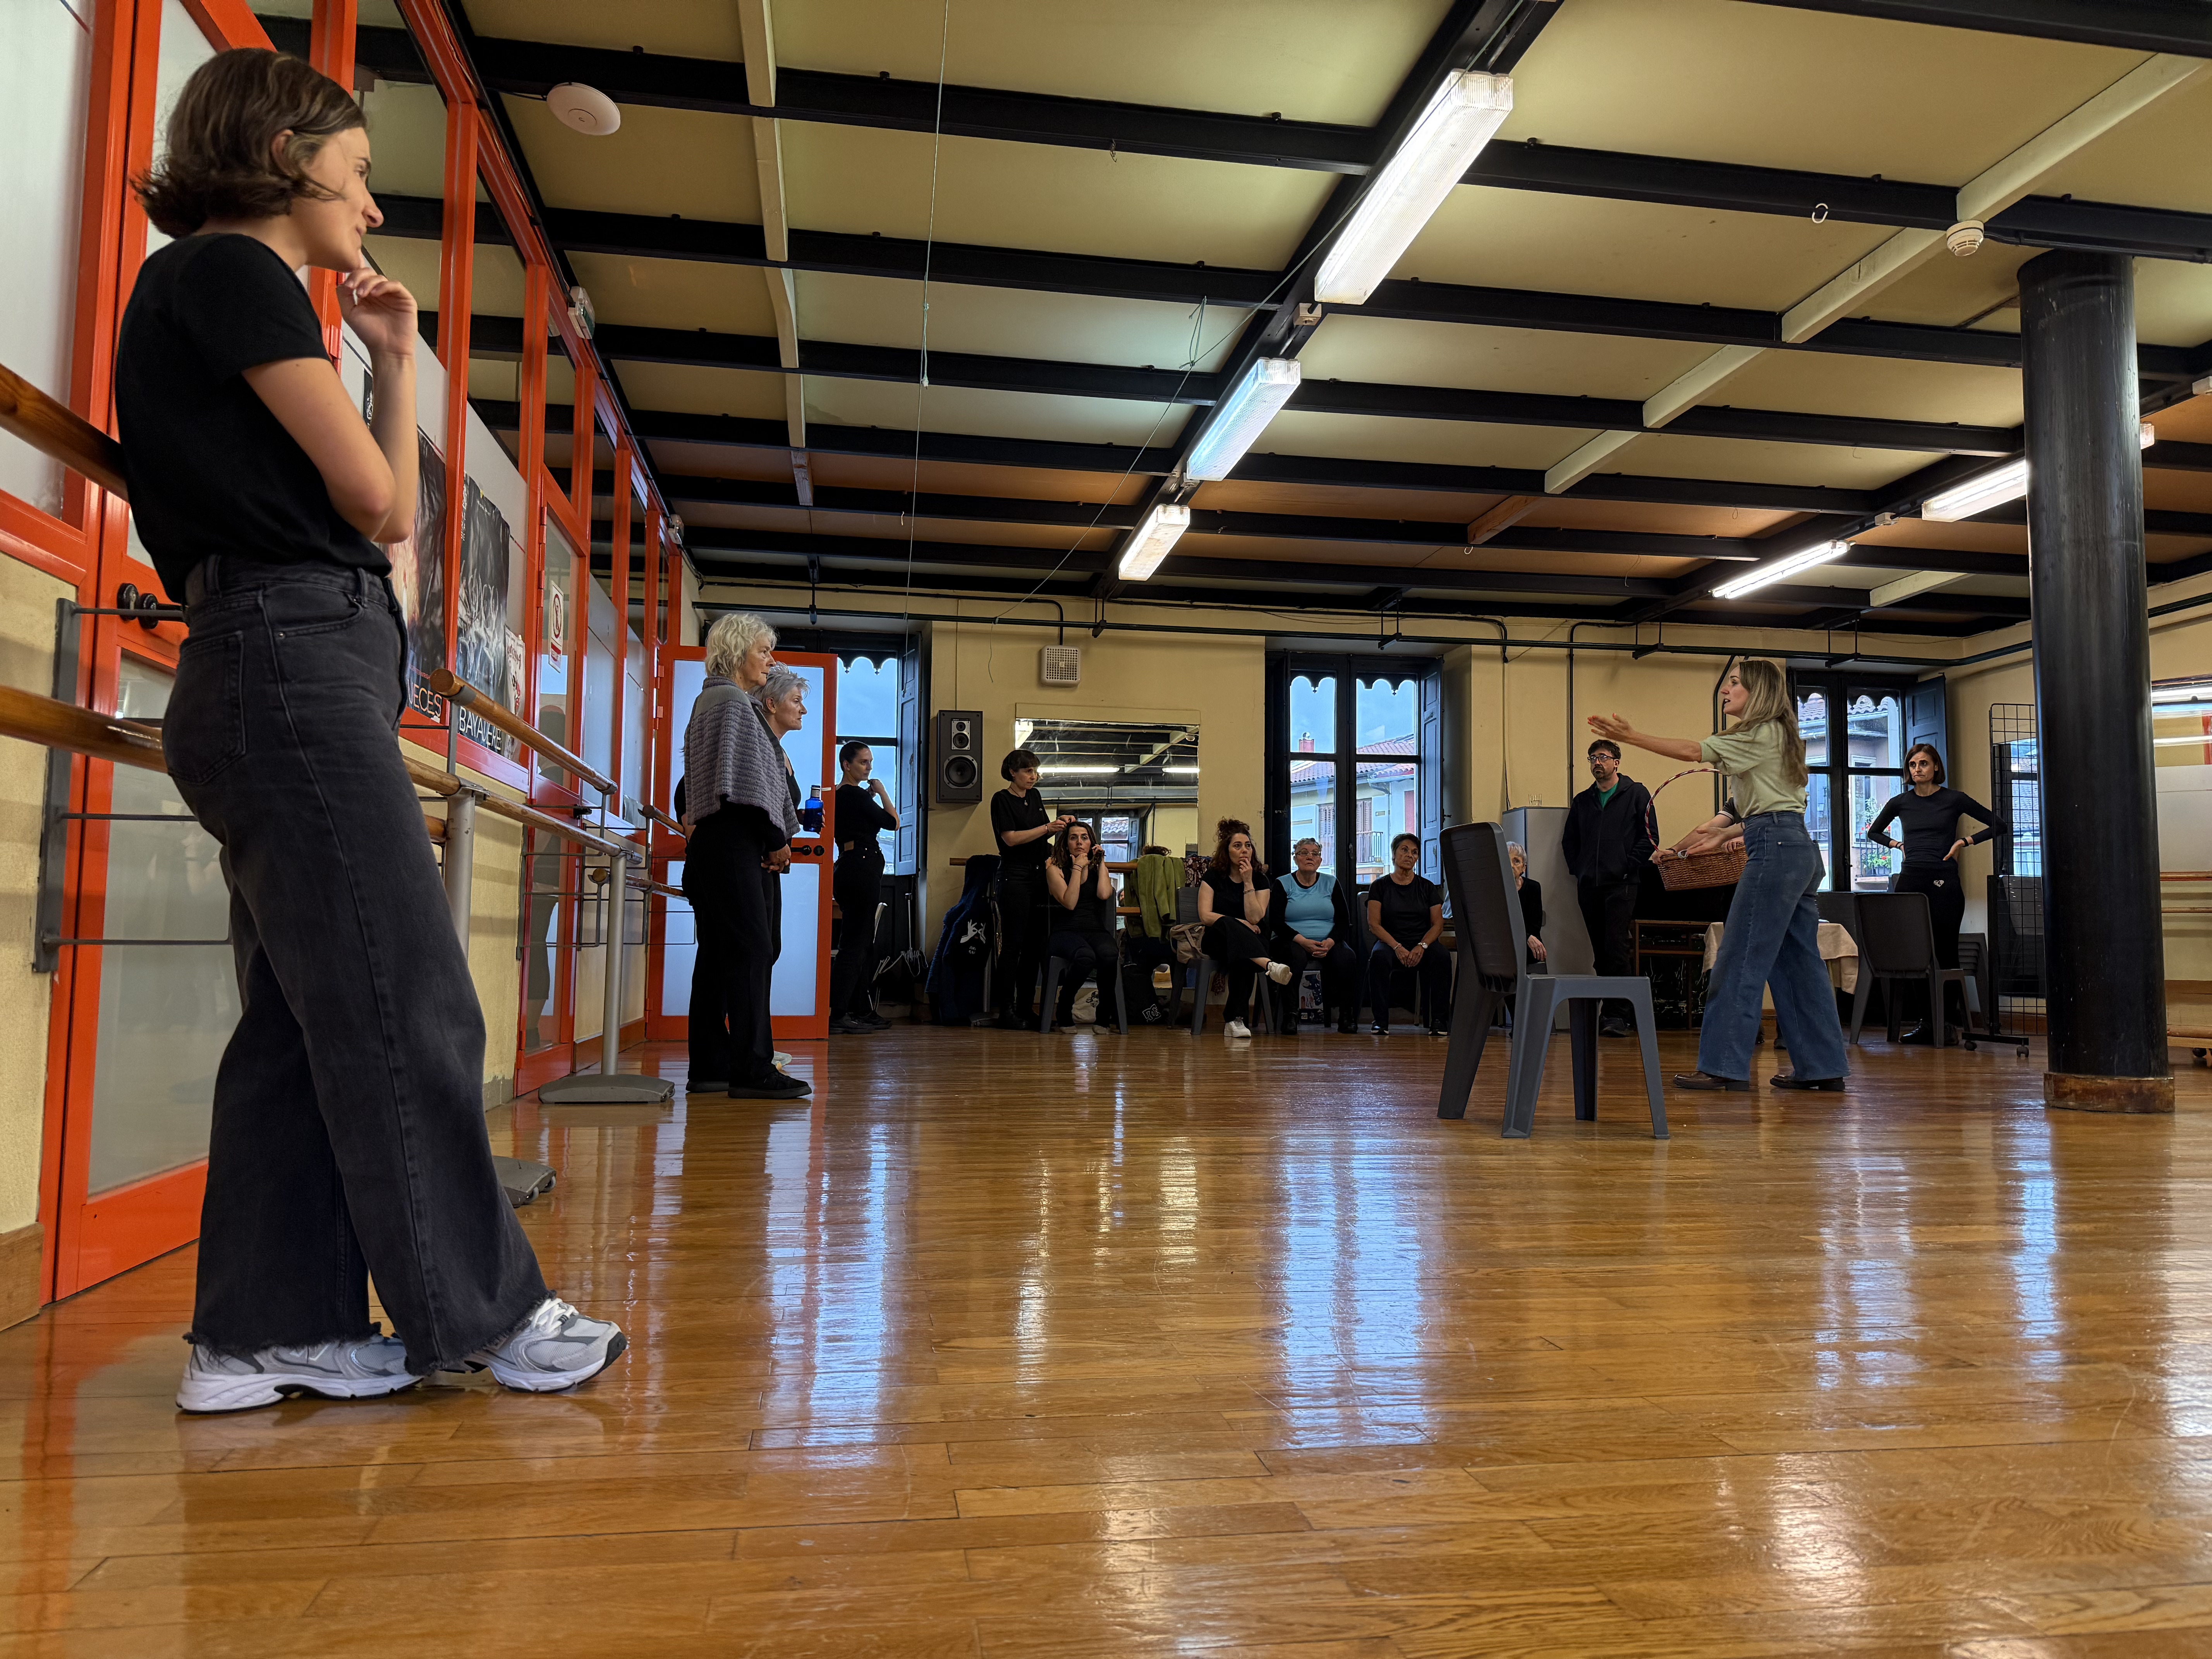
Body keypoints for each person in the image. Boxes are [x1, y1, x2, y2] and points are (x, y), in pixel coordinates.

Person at [118, 48, 623, 1411]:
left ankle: (259, 1334)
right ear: (285, 155)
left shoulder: (235, 288)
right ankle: (488, 1313)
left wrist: (396, 357)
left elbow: (388, 510)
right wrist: (375, 389)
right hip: (286, 659)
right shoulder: (232, 271)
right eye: (356, 170)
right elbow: (371, 501)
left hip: (281, 660)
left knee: (302, 1022)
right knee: (410, 995)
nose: (372, 204)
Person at [1591, 659, 1848, 1094]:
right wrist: (1723, 833)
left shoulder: (1759, 732)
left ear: (1757, 692)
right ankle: (1822, 1067)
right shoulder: (1778, 735)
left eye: (1734, 684)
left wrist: (1631, 737)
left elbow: (1694, 752)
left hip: (1775, 851)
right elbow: (1775, 808)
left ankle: (1722, 1067)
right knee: (1799, 963)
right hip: (1796, 849)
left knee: (1738, 958)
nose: (1726, 691)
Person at [683, 617, 807, 1102]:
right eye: (763, 651)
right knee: (753, 952)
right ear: (737, 652)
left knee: (718, 957)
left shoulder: (712, 699)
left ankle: (711, 1065)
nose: (770, 661)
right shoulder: (732, 702)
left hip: (717, 845)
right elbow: (743, 786)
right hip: (732, 842)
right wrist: (776, 838)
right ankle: (753, 1068)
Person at [1865, 743, 2007, 1043]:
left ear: (1936, 767)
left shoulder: (1954, 799)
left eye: (1924, 764)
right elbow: (1873, 832)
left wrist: (1963, 842)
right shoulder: (1900, 802)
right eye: (1913, 764)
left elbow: (1999, 825)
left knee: (1945, 954)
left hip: (1944, 884)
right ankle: (1927, 1024)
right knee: (1916, 955)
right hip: (1910, 883)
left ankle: (1947, 1025)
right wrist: (1898, 845)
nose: (1918, 769)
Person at [1561, 738, 1654, 1037]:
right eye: (1592, 758)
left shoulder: (1637, 793)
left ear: (1616, 762)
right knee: (1600, 953)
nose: (1597, 763)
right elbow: (1570, 842)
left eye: (1603, 757)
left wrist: (1627, 866)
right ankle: (1611, 1012)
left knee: (1616, 948)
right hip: (1590, 886)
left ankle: (1618, 1015)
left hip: (1622, 885)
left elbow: (1650, 837)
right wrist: (1580, 870)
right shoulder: (1583, 801)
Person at [989, 748, 1072, 1029]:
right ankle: (1006, 1010)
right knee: (1013, 944)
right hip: (1014, 876)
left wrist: (1062, 829)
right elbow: (1011, 839)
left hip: (1038, 875)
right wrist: (1049, 828)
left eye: (1035, 771)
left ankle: (1026, 1008)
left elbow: (1041, 837)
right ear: (1012, 772)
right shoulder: (1001, 799)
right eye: (1027, 771)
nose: (1033, 776)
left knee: (1035, 946)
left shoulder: (1034, 797)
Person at [1197, 819, 1295, 1039]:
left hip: (1252, 941)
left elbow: (1255, 917)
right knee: (1229, 926)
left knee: (1243, 957)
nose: (1244, 850)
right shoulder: (1214, 876)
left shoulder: (1260, 880)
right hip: (1217, 939)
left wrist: (1248, 882)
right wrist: (1239, 923)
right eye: (1238, 846)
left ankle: (1235, 1021)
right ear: (1227, 851)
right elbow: (1205, 916)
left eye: (1248, 846)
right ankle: (1269, 965)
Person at [828, 740, 897, 1035]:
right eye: (863, 762)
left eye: (870, 763)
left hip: (847, 865)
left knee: (858, 941)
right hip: (861, 868)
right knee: (856, 944)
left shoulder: (837, 795)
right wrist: (881, 791)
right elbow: (892, 822)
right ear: (847, 765)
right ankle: (839, 1012)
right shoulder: (855, 794)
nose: (869, 768)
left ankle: (859, 1009)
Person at [1366, 832, 1449, 1036]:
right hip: (1390, 943)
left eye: (1415, 852)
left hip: (1421, 944)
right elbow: (1374, 925)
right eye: (1405, 850)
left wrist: (1422, 946)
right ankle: (1380, 1021)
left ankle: (1439, 1021)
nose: (1410, 855)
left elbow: (1438, 924)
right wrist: (1397, 947)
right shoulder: (1380, 886)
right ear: (1394, 855)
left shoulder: (1427, 887)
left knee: (1442, 956)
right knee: (1378, 957)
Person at [1274, 837, 1358, 1033]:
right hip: (1292, 940)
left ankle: (1346, 1016)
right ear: (1295, 858)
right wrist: (1303, 941)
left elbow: (1343, 921)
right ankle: (1291, 1015)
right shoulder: (1283, 883)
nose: (1310, 857)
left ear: (1320, 860)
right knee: (1294, 956)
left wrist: (1330, 942)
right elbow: (1277, 923)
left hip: (1327, 941)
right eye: (1304, 853)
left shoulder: (1331, 882)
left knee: (1347, 957)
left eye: (1315, 854)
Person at [1044, 821, 1122, 1032]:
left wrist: (1101, 863)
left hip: (1094, 930)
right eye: (1073, 838)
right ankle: (1064, 1007)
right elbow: (1070, 903)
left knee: (1110, 954)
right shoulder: (1054, 868)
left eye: (1084, 838)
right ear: (1066, 844)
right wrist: (1078, 867)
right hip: (1065, 932)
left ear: (1091, 843)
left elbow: (1104, 894)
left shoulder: (1098, 868)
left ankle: (1104, 1015)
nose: (1079, 842)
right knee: (1086, 956)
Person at [1508, 842, 1548, 969]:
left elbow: (1534, 927)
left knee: (1532, 950)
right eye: (1506, 860)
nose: (1511, 866)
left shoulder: (1533, 888)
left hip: (1526, 942)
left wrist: (1527, 938)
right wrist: (1525, 937)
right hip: (1504, 940)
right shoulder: (1494, 889)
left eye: (1516, 861)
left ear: (1524, 868)